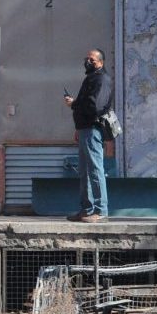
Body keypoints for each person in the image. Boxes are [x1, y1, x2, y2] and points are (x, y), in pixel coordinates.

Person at [64, 49, 110, 223]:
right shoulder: (91, 78)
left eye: (92, 60)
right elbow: (87, 104)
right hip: (85, 129)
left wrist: (74, 104)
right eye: (86, 59)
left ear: (101, 62)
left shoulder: (102, 79)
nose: (88, 62)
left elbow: (95, 107)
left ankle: (101, 211)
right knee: (85, 172)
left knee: (95, 170)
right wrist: (79, 127)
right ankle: (87, 210)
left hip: (92, 129)